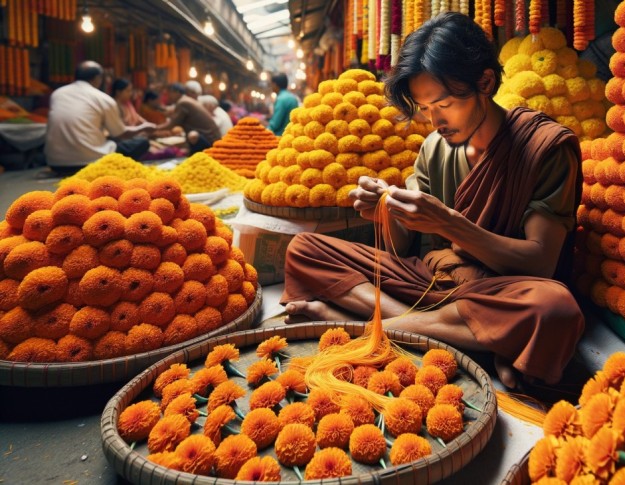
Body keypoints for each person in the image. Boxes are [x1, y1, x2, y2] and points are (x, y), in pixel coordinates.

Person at [281, 12, 584, 389]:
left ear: (485, 82)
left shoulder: (544, 148)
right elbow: (402, 248)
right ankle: (471, 336)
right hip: (434, 281)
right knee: (303, 249)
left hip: (500, 287)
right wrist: (385, 212)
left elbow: (539, 263)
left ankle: (370, 327)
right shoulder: (433, 149)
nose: (434, 121)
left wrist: (450, 224)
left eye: (443, 104)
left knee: (554, 309)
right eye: (424, 109)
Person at [45, 61, 154, 173]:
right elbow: (120, 133)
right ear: (97, 78)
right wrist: (144, 128)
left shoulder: (57, 94)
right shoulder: (103, 99)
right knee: (142, 142)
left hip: (56, 163)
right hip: (91, 162)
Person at [156, 83, 221, 154]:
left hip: (210, 143)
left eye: (169, 93)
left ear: (176, 92)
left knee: (192, 135)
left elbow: (172, 125)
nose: (168, 97)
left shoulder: (183, 102)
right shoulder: (186, 100)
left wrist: (154, 128)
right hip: (213, 141)